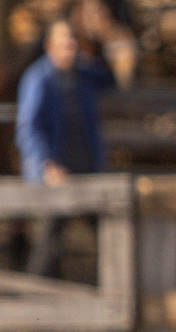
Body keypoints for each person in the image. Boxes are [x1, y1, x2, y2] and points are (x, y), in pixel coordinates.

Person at [15, 17, 115, 277]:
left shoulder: (83, 75)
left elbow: (111, 78)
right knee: (50, 241)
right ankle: (38, 302)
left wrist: (100, 37)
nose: (69, 47)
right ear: (50, 46)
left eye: (73, 40)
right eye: (63, 42)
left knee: (107, 234)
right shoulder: (39, 78)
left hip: (86, 165)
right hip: (55, 170)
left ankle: (107, 292)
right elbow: (28, 127)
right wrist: (45, 163)